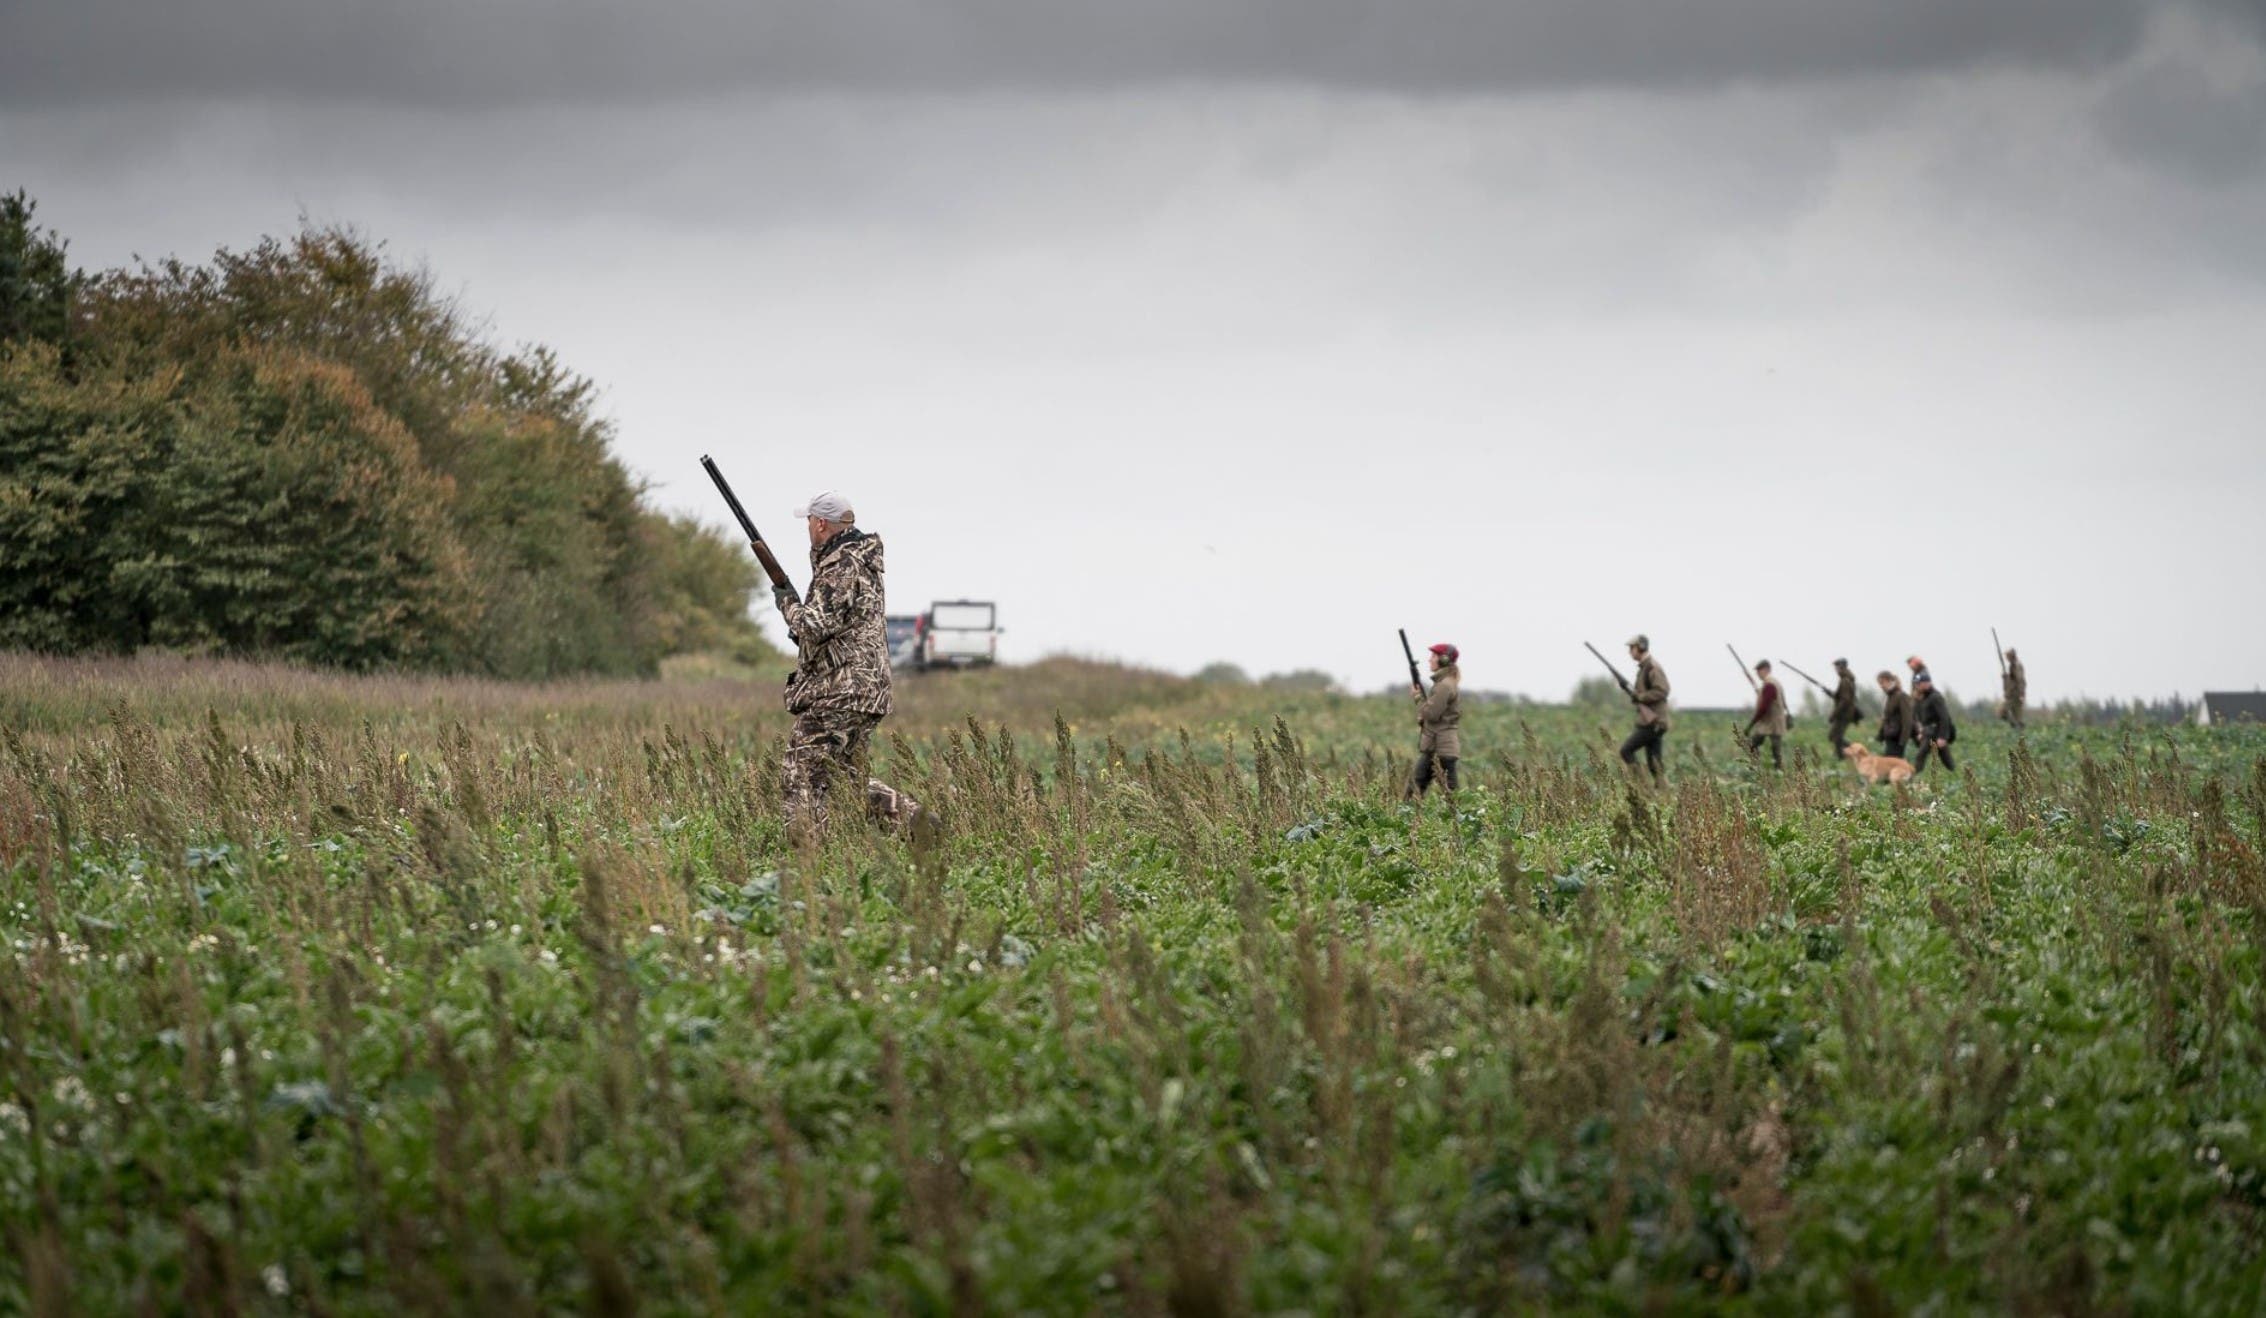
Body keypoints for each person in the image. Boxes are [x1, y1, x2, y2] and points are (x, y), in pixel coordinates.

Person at [773, 490, 921, 838]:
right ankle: (914, 822)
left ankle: (809, 853)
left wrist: (787, 603)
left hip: (839, 690)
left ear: (821, 523)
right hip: (868, 691)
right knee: (844, 778)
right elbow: (841, 624)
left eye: (809, 521)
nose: (808, 528)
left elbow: (814, 624)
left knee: (801, 773)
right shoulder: (862, 560)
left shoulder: (840, 563)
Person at [1407, 642, 1462, 798]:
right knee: (1416, 790)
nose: (1429, 660)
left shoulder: (1444, 686)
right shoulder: (1445, 683)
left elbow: (1431, 714)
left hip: (1440, 748)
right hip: (1437, 746)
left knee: (1450, 795)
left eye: (1433, 656)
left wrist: (1418, 698)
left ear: (1444, 660)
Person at [1618, 634, 1671, 785]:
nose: (1630, 652)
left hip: (1653, 722)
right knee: (1654, 763)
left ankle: (1642, 786)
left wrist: (1639, 697)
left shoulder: (1652, 667)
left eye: (1632, 648)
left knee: (1626, 751)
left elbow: (1662, 691)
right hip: (1654, 722)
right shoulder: (1644, 667)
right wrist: (1629, 690)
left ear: (1641, 647)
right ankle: (1662, 792)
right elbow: (1641, 693)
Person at [1743, 658, 1788, 769]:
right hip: (1775, 722)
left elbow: (1763, 707)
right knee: (1775, 751)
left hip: (1770, 723)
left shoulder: (1769, 685)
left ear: (1767, 669)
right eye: (1757, 671)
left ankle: (1757, 770)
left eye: (1759, 670)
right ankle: (1776, 773)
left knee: (1754, 745)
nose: (1757, 673)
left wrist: (1751, 724)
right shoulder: (1774, 683)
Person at [1913, 673, 1957, 774]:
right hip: (1928, 732)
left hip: (1936, 732)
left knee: (1921, 755)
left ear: (1927, 683)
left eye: (1919, 684)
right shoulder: (1924, 698)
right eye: (1916, 684)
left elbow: (1944, 717)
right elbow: (1924, 719)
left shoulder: (1935, 697)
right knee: (1946, 759)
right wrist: (1921, 731)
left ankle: (1913, 778)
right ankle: (1955, 773)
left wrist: (1943, 737)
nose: (1917, 686)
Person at [1826, 658, 1862, 757]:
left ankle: (1855, 751)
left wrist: (1833, 714)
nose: (1835, 670)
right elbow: (1843, 697)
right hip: (1845, 713)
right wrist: (1831, 693)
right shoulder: (1847, 679)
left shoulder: (1845, 681)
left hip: (1843, 714)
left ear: (1841, 668)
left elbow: (1845, 701)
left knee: (1835, 737)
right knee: (1835, 737)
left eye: (1836, 667)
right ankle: (1844, 754)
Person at [1876, 670, 1914, 762]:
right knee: (1890, 767)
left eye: (1882, 683)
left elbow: (1907, 720)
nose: (1881, 686)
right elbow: (1887, 718)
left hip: (1898, 739)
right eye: (1879, 683)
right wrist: (1880, 735)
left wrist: (1903, 741)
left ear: (1889, 681)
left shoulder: (1901, 696)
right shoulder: (1890, 697)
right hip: (1890, 737)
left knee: (1892, 767)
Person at [2001, 647, 2026, 730]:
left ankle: (2017, 727)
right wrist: (2005, 677)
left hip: (2015, 695)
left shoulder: (2016, 665)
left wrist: (2022, 694)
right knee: (2015, 717)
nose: (2006, 658)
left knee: (2003, 712)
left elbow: (2020, 680)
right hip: (2012, 694)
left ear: (2011, 656)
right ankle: (2016, 727)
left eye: (2008, 656)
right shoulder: (2012, 665)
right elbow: (2012, 679)